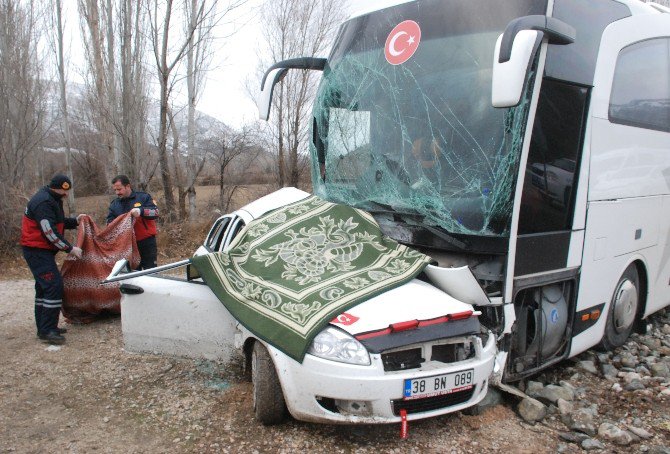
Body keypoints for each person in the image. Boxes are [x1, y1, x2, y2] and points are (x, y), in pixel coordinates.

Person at [21, 174, 85, 345]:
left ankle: (44, 328)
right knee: (53, 286)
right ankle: (48, 330)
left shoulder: (52, 199)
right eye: (64, 191)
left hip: (41, 250)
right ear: (56, 188)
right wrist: (70, 249)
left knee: (43, 289)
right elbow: (49, 231)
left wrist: (75, 221)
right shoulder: (43, 202)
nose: (65, 195)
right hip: (36, 251)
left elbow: (57, 221)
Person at [106, 175, 159, 270]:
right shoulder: (114, 205)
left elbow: (155, 212)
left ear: (128, 186)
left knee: (151, 272)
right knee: (133, 275)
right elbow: (109, 224)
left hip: (146, 243)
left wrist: (141, 211)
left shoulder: (143, 197)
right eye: (115, 190)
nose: (117, 192)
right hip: (126, 245)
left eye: (119, 189)